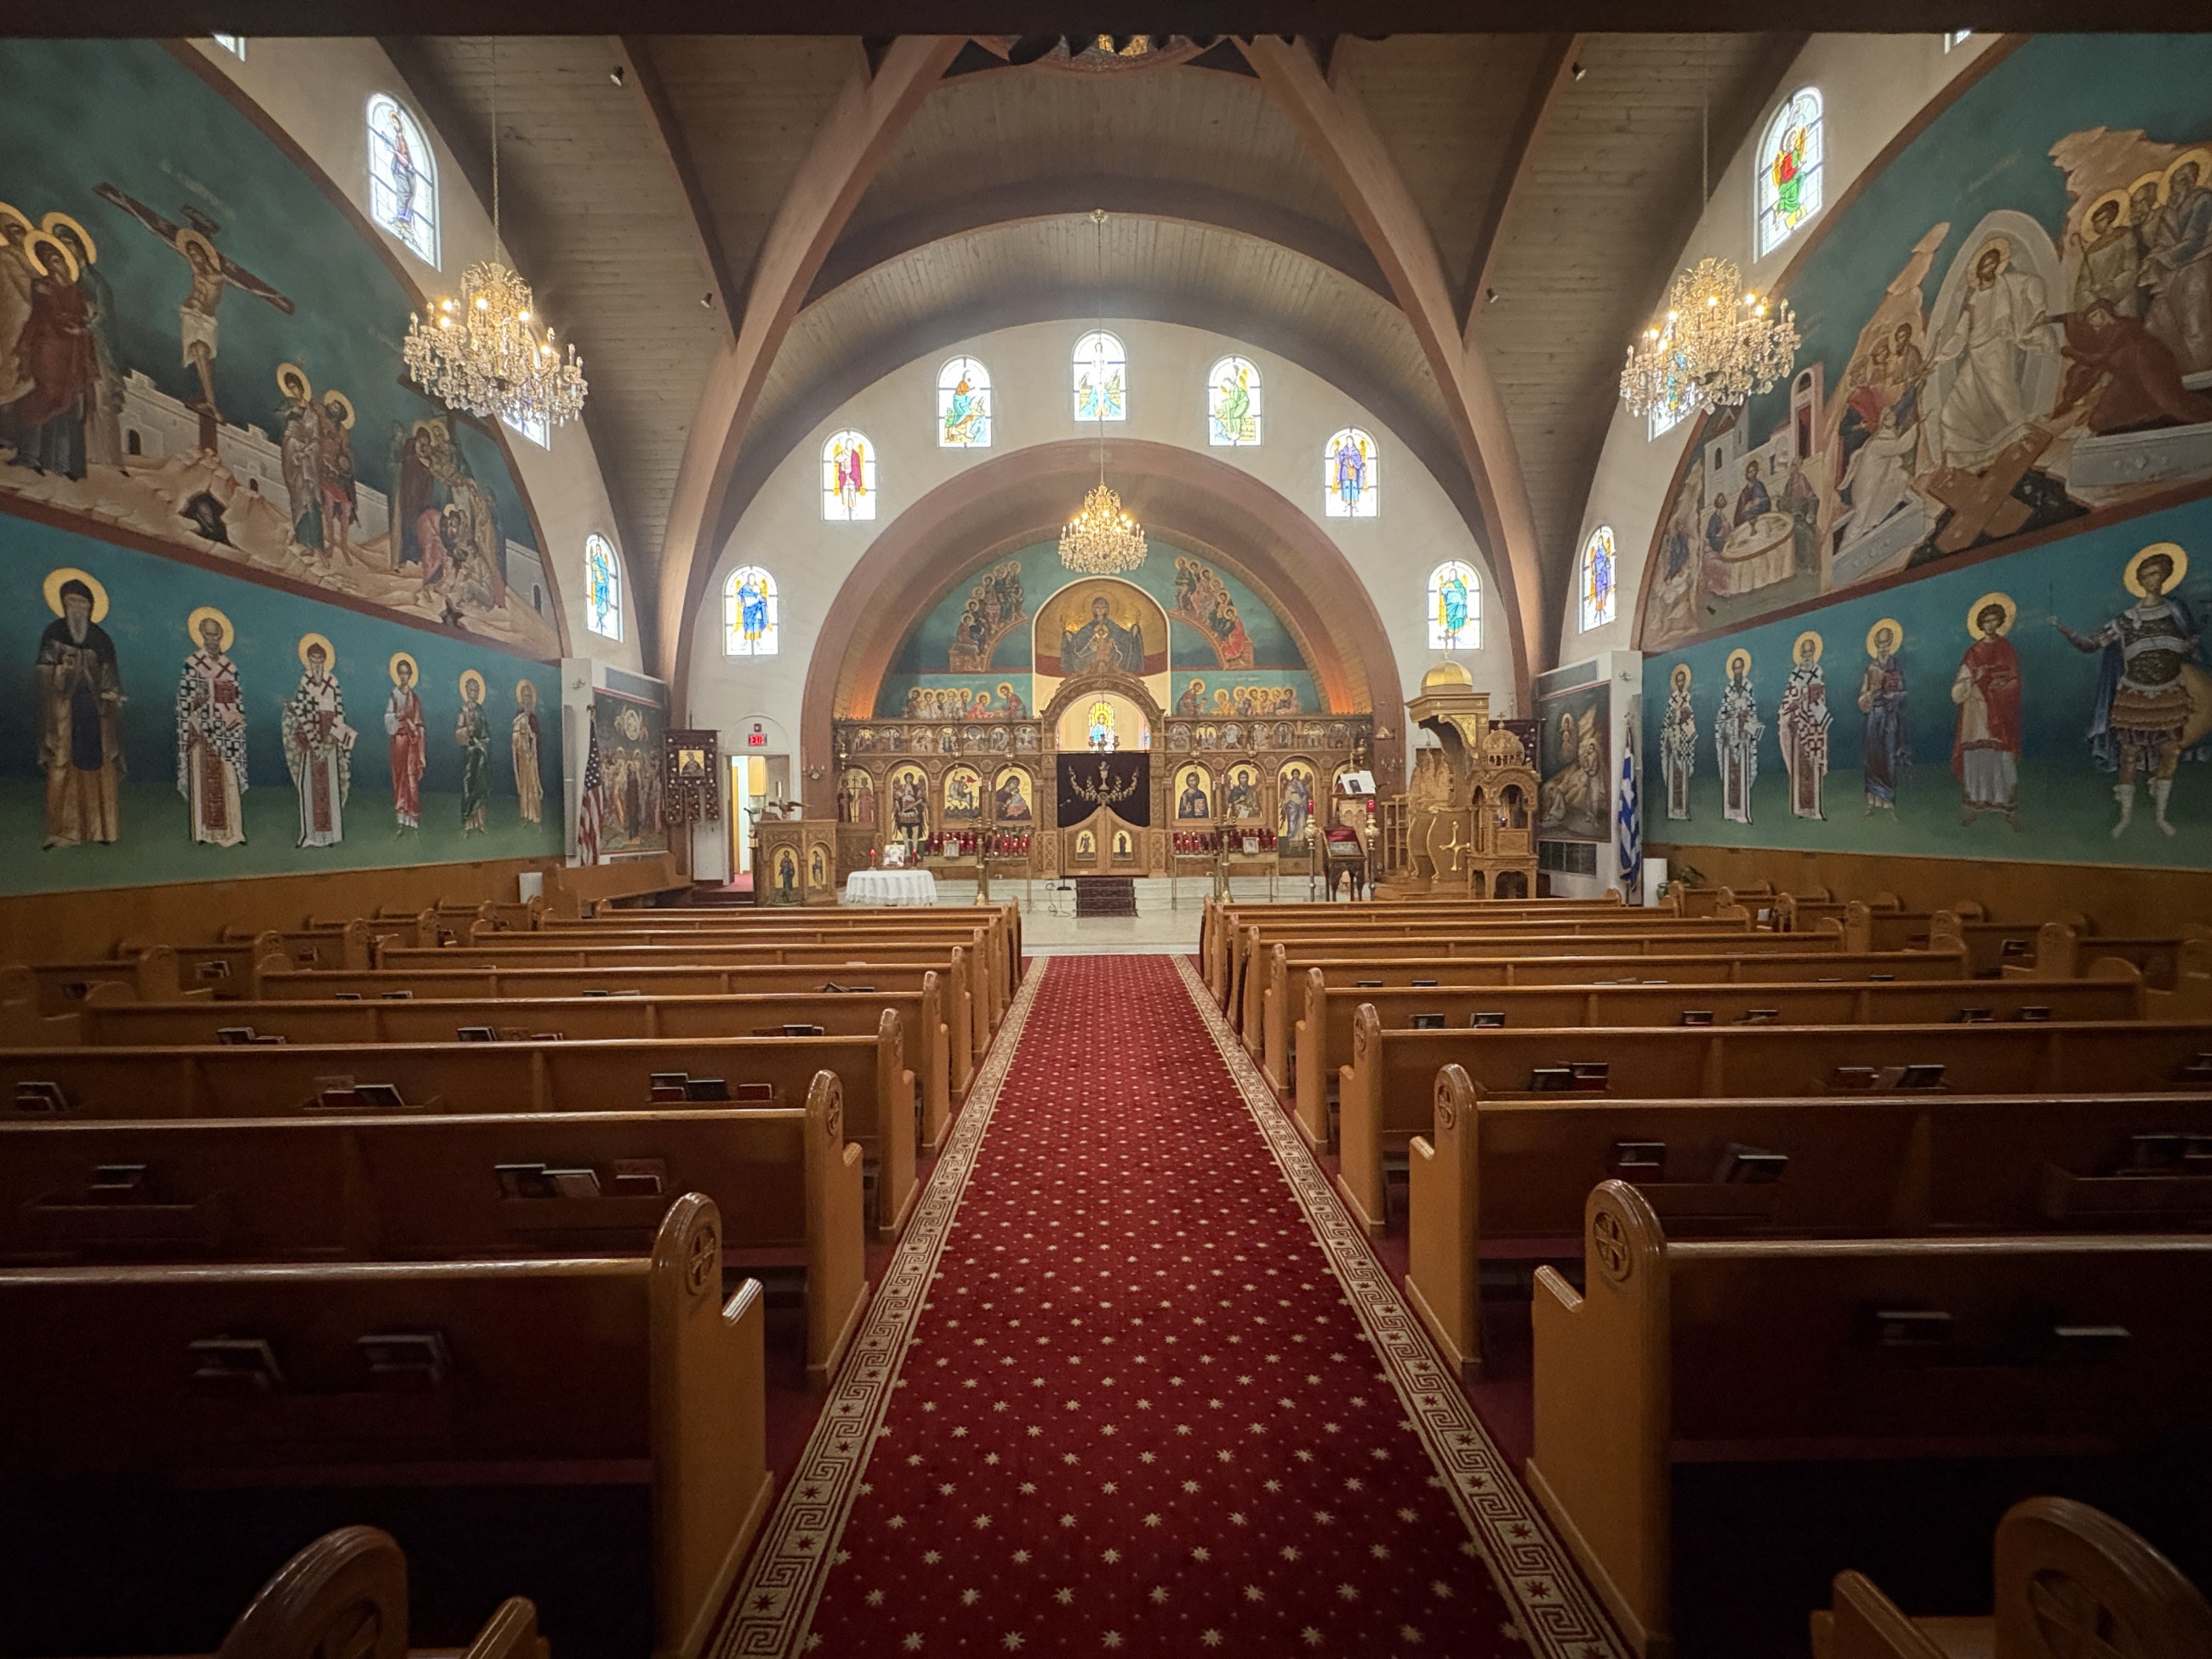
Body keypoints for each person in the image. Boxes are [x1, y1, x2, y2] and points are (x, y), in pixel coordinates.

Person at [2055, 545, 2201, 837]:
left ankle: (2161, 816)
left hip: (2170, 691)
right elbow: (2091, 645)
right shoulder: (2126, 619)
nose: (2152, 580)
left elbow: (2192, 642)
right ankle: (2125, 817)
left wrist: (2185, 647)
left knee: (2170, 750)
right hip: (2134, 694)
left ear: (2166, 576)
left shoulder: (2176, 614)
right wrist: (2067, 631)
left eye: (2157, 574)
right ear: (2139, 580)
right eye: (2146, 575)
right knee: (2130, 754)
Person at [1930, 239, 2056, 472]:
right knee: (1953, 406)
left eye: (1992, 264)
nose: (1988, 268)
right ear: (1978, 271)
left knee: (2001, 392)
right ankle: (1966, 456)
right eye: (1984, 265)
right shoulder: (1974, 299)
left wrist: (2038, 310)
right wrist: (1937, 359)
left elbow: (2034, 283)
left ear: (1998, 266)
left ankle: (2022, 434)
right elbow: (1961, 334)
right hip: (1976, 353)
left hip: (1997, 347)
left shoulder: (2007, 284)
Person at [36, 577, 124, 848]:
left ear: (91, 606)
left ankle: (102, 830)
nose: (77, 608)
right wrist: (62, 671)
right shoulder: (54, 634)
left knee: (100, 769)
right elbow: (43, 673)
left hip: (97, 714)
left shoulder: (101, 639)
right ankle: (63, 832)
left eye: (82, 602)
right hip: (64, 713)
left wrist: (110, 693)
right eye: (71, 602)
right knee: (62, 766)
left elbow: (110, 676)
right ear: (62, 604)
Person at [175, 612, 246, 847]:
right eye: (208, 634)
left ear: (222, 636)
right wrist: (199, 699)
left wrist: (236, 717)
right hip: (202, 731)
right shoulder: (193, 664)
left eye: (216, 635)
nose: (213, 639)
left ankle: (234, 833)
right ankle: (204, 833)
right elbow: (183, 702)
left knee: (228, 780)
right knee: (204, 781)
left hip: (227, 734)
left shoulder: (230, 667)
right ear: (201, 635)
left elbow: (237, 700)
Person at [1952, 599, 2022, 827]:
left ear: (2000, 622)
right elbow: (1960, 685)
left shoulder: (2006, 648)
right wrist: (1975, 677)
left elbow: (2014, 679)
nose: (1990, 625)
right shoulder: (1973, 652)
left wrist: (2000, 687)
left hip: (2000, 710)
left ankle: (2006, 809)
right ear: (1980, 624)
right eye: (1986, 621)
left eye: (1994, 620)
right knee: (1977, 756)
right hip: (1977, 710)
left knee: (2002, 759)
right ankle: (1975, 806)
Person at [282, 640, 353, 848]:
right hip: (311, 744)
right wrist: (292, 710)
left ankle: (330, 835)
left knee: (330, 787)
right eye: (312, 660)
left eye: (319, 660)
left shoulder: (333, 683)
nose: (316, 664)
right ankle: (311, 835)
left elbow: (339, 713)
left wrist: (333, 735)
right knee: (310, 788)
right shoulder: (304, 683)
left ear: (325, 660)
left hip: (329, 744)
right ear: (308, 661)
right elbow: (300, 711)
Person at [1857, 624, 1911, 814]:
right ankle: (1872, 798)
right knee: (1872, 757)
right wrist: (1872, 691)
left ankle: (1887, 798)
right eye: (1880, 643)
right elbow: (1863, 697)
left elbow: (1903, 692)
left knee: (1888, 755)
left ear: (1891, 644)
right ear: (1876, 644)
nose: (1883, 647)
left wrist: (1894, 696)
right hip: (1875, 716)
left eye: (1887, 643)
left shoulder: (1895, 665)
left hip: (1890, 717)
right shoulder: (1871, 667)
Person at [1777, 635, 1832, 820]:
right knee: (1799, 767)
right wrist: (1791, 710)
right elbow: (1787, 700)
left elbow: (1819, 698)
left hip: (1813, 728)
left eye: (1810, 651)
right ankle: (1800, 809)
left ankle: (1814, 809)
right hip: (1797, 729)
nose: (1807, 655)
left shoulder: (1818, 672)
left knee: (1813, 766)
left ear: (1814, 652)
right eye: (1804, 652)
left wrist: (1807, 700)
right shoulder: (1795, 675)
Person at [1715, 653, 1763, 824]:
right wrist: (1725, 724)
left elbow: (1752, 711)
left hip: (1744, 740)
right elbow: (1721, 714)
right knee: (1732, 777)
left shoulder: (1748, 687)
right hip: (1729, 740)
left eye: (1739, 668)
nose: (1737, 671)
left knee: (1743, 775)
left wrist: (1745, 721)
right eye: (1735, 668)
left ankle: (1742, 812)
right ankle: (1730, 812)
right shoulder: (1728, 690)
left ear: (1744, 669)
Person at [383, 655, 426, 833]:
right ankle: (401, 817)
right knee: (400, 778)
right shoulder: (394, 695)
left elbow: (419, 723)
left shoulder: (414, 698)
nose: (403, 677)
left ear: (410, 675)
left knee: (411, 778)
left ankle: (412, 816)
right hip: (399, 743)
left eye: (406, 673)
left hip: (412, 744)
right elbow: (387, 719)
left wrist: (416, 732)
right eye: (401, 673)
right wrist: (398, 716)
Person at [1661, 666, 1697, 820]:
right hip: (1672, 742)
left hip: (1685, 745)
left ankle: (1683, 811)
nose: (1681, 684)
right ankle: (1673, 812)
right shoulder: (1672, 700)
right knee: (1673, 776)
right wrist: (1667, 740)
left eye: (1683, 681)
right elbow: (1666, 722)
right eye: (1679, 681)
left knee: (1683, 775)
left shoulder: (1689, 699)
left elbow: (1691, 720)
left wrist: (1683, 719)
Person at [456, 676, 491, 835]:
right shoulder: (464, 711)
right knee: (468, 786)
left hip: (481, 755)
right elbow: (458, 732)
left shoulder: (480, 711)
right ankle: (467, 823)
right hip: (470, 755)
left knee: (481, 786)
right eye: (471, 690)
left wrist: (483, 742)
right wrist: (467, 732)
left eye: (476, 690)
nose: (474, 693)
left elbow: (486, 732)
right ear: (466, 691)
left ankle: (480, 823)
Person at [512, 680, 543, 824]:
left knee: (534, 785)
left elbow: (536, 736)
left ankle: (535, 814)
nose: (527, 699)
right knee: (524, 786)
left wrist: (532, 737)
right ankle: (526, 815)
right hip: (522, 756)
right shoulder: (519, 717)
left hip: (533, 757)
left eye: (529, 696)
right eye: (524, 696)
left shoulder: (533, 718)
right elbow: (515, 736)